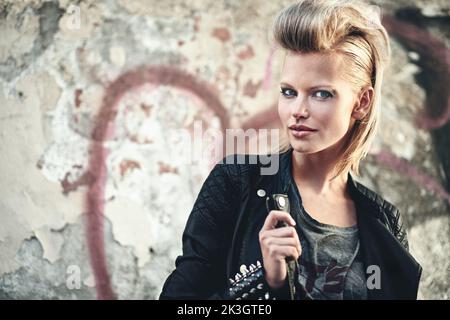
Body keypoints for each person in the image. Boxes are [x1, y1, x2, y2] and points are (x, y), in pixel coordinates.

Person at [159, 0, 422, 300]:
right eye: (289, 92)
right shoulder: (237, 183)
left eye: (321, 94)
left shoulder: (384, 222)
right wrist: (267, 284)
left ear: (361, 102)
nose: (297, 110)